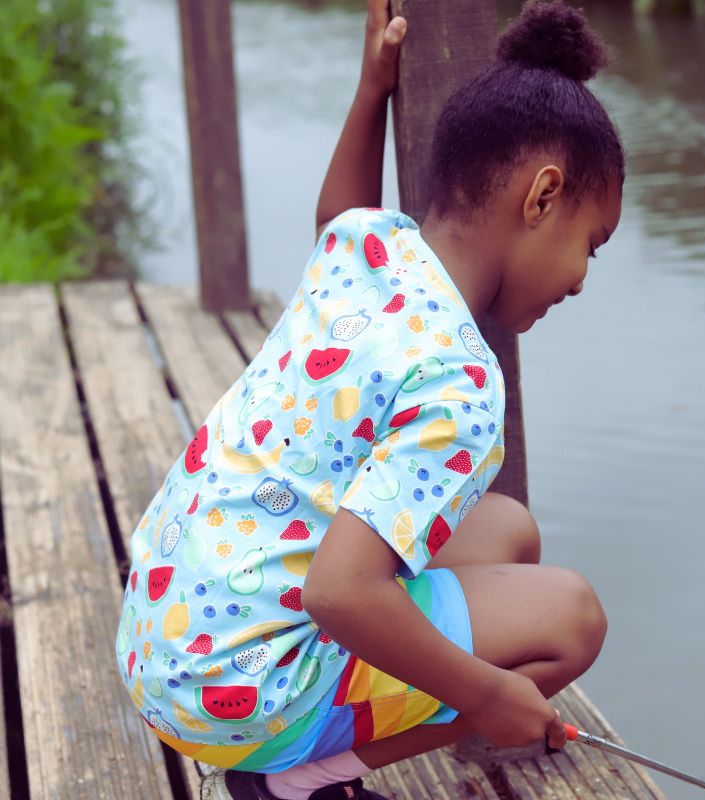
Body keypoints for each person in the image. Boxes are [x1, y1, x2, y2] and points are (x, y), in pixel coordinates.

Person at [114, 1, 624, 798]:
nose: (584, 278)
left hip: (162, 638)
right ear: (543, 195)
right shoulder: (458, 380)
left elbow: (334, 214)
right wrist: (486, 697)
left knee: (507, 530)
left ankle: (297, 752)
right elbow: (338, 593)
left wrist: (370, 90)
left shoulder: (372, 250)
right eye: (590, 243)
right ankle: (300, 778)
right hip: (238, 691)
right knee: (571, 618)